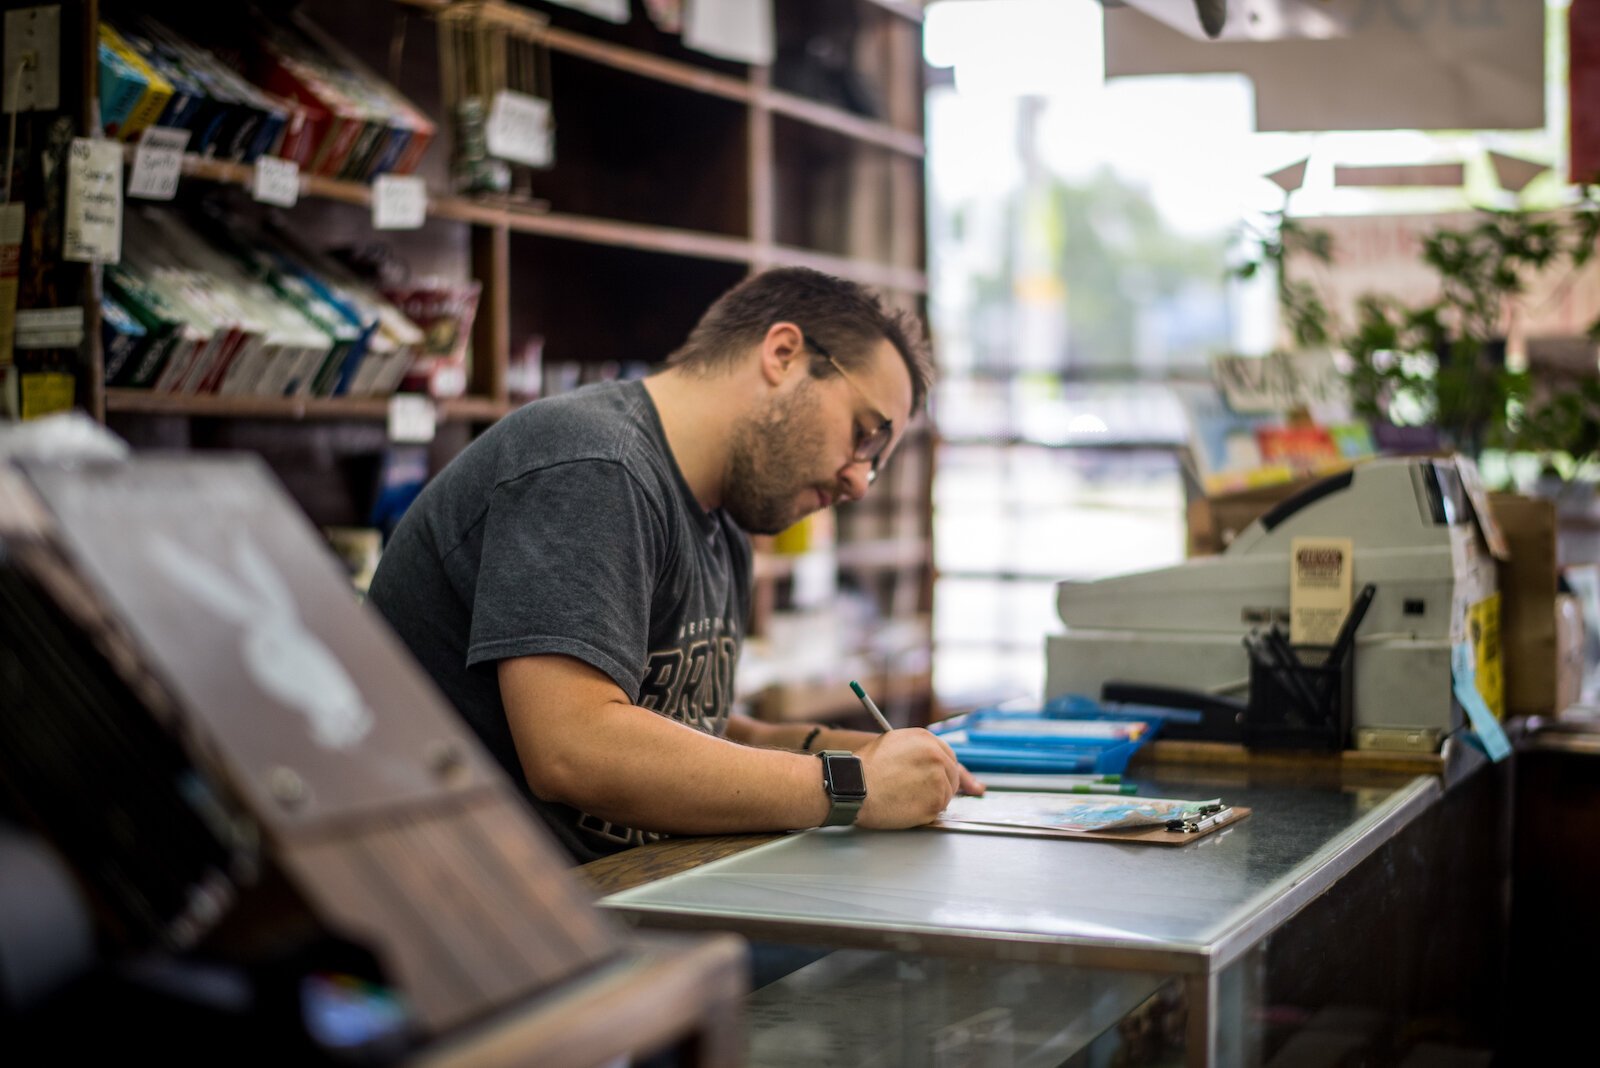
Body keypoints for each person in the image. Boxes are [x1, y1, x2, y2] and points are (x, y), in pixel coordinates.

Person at [367, 267, 981, 863]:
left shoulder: (721, 521)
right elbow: (576, 748)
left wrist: (846, 751)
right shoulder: (594, 465)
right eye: (866, 436)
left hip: (624, 893)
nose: (860, 483)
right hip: (499, 913)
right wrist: (852, 785)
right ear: (785, 353)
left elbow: (686, 728)